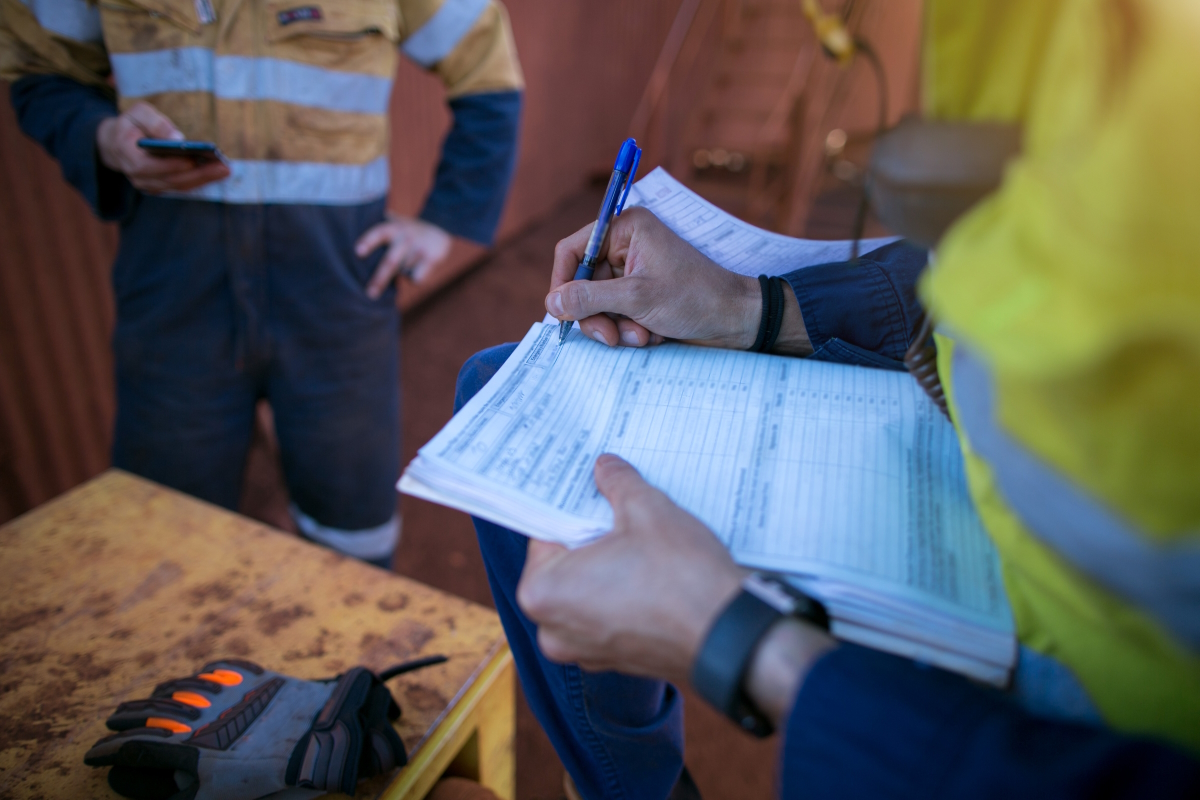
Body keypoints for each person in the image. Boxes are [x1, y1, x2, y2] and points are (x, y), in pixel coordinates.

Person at [454, 0, 1200, 795]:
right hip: (973, 455)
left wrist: (744, 646)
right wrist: (752, 306)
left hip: (1096, 687)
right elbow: (989, 251)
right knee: (498, 380)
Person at [1, 0, 523, 567]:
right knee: (162, 535)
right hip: (173, 288)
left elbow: (488, 74)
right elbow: (39, 69)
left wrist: (444, 221)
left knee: (353, 532)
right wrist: (102, 136)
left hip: (337, 291)